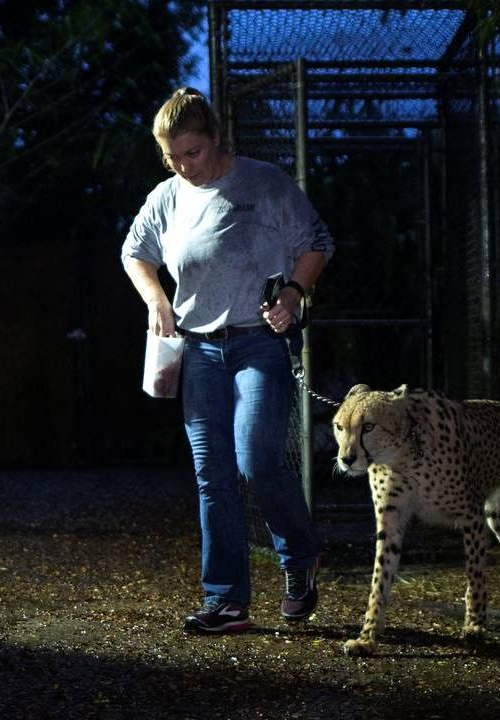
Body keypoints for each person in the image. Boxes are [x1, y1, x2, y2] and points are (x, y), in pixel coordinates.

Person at [122, 87, 333, 633]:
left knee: (255, 458)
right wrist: (157, 299)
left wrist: (291, 295)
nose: (183, 166)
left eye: (191, 153)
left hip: (258, 340)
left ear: (214, 139)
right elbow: (134, 252)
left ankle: (299, 557)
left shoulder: (264, 183)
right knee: (210, 472)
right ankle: (226, 599)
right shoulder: (166, 197)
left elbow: (317, 242)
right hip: (197, 348)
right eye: (171, 157)